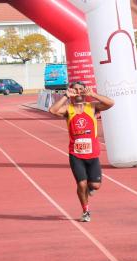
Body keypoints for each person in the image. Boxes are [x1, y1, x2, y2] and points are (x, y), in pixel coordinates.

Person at [49, 81, 114, 222]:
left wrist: (93, 94)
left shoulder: (92, 107)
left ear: (84, 91)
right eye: (75, 89)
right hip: (75, 154)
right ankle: (86, 211)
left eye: (80, 89)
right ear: (71, 91)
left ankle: (90, 189)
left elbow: (110, 103)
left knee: (95, 185)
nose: (78, 92)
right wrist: (65, 96)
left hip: (93, 154)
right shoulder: (68, 109)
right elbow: (52, 111)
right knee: (81, 184)